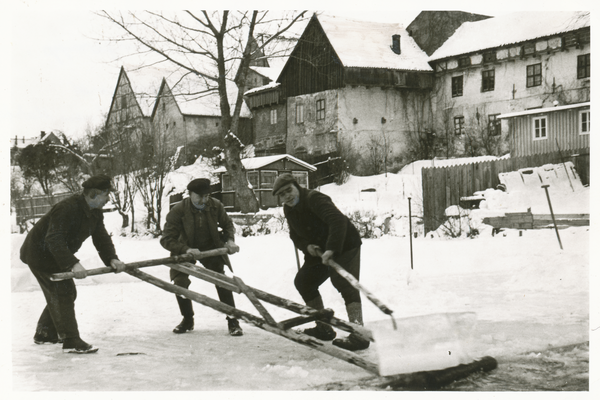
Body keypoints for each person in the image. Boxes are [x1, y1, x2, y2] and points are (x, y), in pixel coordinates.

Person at [20, 174, 127, 354]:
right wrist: (72, 264)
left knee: (66, 292)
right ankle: (70, 340)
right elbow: (54, 239)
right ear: (93, 194)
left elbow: (101, 238)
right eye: (106, 194)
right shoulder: (66, 209)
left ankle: (45, 333)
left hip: (55, 255)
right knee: (63, 292)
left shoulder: (94, 213)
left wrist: (112, 258)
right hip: (39, 254)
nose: (108, 199)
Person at [272, 173, 369, 351]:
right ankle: (323, 328)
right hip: (320, 249)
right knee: (304, 281)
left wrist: (332, 249)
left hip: (345, 244)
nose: (287, 196)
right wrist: (307, 246)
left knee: (344, 283)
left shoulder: (314, 198)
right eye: (282, 194)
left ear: (297, 186)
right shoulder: (289, 208)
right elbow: (294, 235)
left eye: (289, 190)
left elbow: (337, 221)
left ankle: (360, 335)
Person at [160, 178, 243, 336]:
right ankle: (187, 319)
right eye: (200, 197)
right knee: (180, 282)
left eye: (207, 196)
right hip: (185, 249)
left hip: (210, 247)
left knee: (220, 279)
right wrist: (186, 249)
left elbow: (227, 225)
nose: (204, 200)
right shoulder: (177, 211)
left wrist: (230, 240)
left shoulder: (215, 205)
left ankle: (233, 320)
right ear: (190, 194)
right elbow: (166, 239)